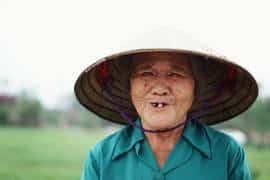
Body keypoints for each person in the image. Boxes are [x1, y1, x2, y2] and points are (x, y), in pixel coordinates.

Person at [74, 48, 258, 180]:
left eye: (175, 74)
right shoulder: (102, 156)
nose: (160, 88)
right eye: (146, 73)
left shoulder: (226, 153)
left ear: (196, 89)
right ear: (129, 88)